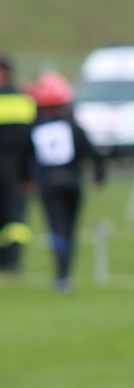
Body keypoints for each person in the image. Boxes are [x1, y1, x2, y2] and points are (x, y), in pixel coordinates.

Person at [27, 71, 105, 293]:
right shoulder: (72, 126)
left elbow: (26, 156)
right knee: (69, 228)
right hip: (72, 182)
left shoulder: (36, 127)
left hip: (49, 184)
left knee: (56, 228)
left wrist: (26, 179)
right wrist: (99, 174)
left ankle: (61, 275)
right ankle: (66, 273)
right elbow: (93, 152)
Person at [0, 55, 36, 273]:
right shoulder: (25, 100)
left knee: (12, 217)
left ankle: (9, 261)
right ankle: (11, 262)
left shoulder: (23, 100)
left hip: (15, 167)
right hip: (18, 167)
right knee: (14, 217)